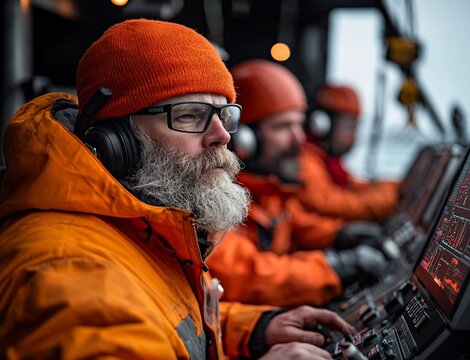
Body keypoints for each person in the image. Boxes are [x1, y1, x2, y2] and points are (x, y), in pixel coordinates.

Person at [0, 20, 356, 359]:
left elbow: (164, 320)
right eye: (189, 115)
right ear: (116, 140)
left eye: (223, 115)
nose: (223, 136)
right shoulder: (70, 275)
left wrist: (259, 327)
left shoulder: (140, 226)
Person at [207, 59, 388, 308]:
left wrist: (340, 234)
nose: (300, 138)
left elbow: (297, 223)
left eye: (299, 124)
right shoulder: (216, 201)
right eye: (283, 127)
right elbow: (248, 276)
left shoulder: (269, 193)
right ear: (245, 140)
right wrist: (335, 267)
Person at [300, 84, 401, 223]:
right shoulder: (305, 160)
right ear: (322, 125)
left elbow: (356, 185)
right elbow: (332, 203)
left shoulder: (329, 163)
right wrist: (389, 200)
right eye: (350, 127)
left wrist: (397, 186)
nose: (354, 137)